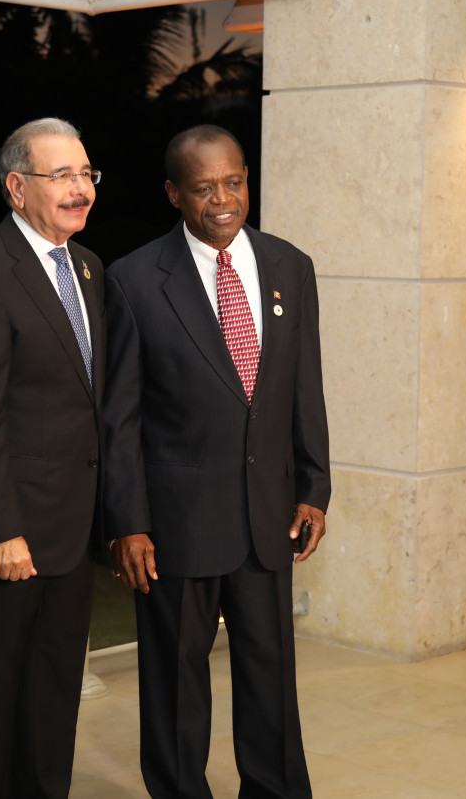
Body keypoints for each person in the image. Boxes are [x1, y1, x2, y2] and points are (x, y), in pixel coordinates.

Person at [104, 125, 331, 798]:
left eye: (233, 182)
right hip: (176, 524)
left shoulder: (290, 266)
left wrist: (314, 486)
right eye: (203, 187)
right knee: (176, 681)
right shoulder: (133, 280)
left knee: (271, 673)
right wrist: (129, 521)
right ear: (174, 193)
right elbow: (120, 418)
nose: (223, 199)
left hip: (268, 515)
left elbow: (304, 388)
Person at [0, 117, 105, 799]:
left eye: (86, 173)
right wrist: (2, 528)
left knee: (54, 695)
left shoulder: (88, 267)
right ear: (16, 187)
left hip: (72, 528)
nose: (80, 188)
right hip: (8, 536)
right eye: (61, 175)